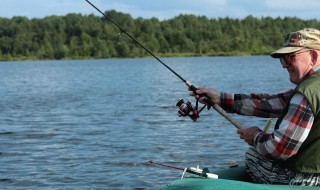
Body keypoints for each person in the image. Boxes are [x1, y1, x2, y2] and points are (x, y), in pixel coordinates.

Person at [190, 28, 320, 186]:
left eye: (290, 57)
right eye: (283, 59)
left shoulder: (306, 93)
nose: (285, 66)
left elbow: (279, 149)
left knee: (253, 155)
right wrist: (220, 98)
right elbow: (268, 104)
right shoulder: (309, 89)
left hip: (306, 180)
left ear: (313, 56)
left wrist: (256, 136)